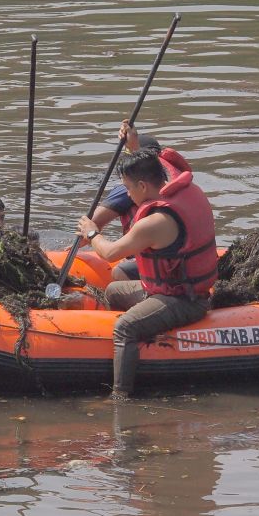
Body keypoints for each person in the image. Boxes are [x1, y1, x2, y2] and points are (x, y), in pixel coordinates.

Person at [75, 150, 218, 398]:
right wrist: (133, 143)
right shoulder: (186, 191)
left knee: (124, 327)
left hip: (184, 300)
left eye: (128, 188)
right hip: (167, 288)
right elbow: (160, 159)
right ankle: (124, 347)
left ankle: (120, 396)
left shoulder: (155, 222)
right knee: (113, 291)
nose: (127, 194)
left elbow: (109, 253)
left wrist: (91, 232)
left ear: (142, 185)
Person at [89, 119, 194, 281]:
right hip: (186, 260)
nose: (129, 193)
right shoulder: (177, 184)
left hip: (164, 267)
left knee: (119, 273)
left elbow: (96, 225)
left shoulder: (130, 189)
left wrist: (88, 233)